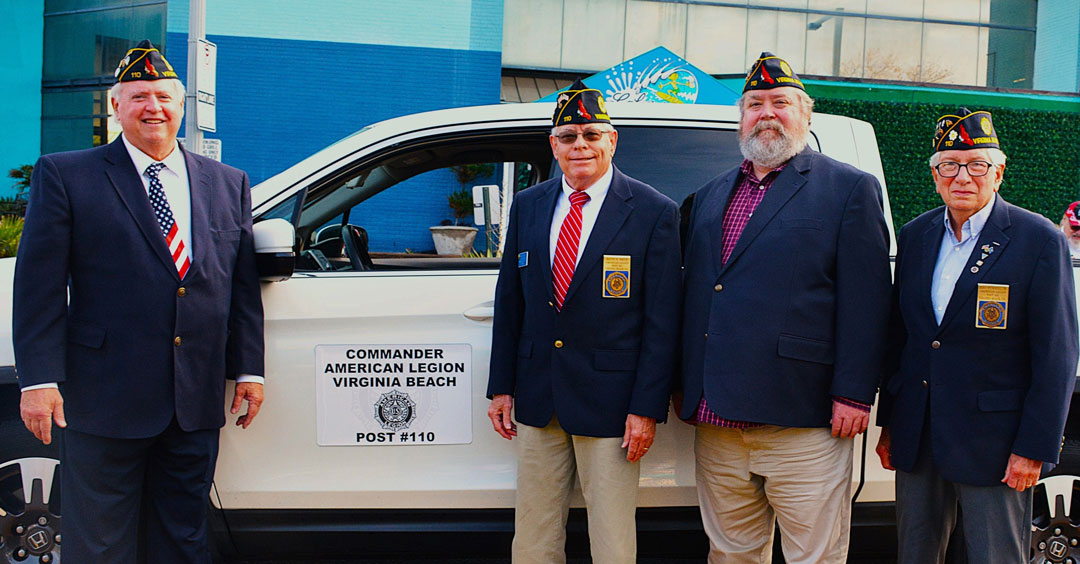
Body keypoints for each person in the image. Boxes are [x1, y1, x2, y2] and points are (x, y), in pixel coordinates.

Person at [13, 40, 265, 563]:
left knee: (183, 536)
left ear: (180, 106)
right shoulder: (67, 174)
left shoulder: (227, 183)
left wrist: (249, 370)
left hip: (192, 401)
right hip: (103, 398)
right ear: (116, 107)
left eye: (163, 96)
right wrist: (38, 380)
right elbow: (38, 287)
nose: (153, 107)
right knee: (100, 541)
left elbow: (238, 287)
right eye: (138, 96)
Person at [679, 52, 892, 563]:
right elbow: (699, 297)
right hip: (717, 422)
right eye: (754, 104)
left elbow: (868, 303)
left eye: (780, 102)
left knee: (813, 556)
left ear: (806, 115)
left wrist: (854, 394)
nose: (766, 113)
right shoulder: (708, 197)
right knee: (731, 554)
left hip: (805, 418)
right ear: (741, 118)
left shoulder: (848, 189)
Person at [486, 79, 681, 564]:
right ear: (553, 145)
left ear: (612, 141)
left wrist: (645, 408)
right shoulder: (530, 205)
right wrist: (502, 386)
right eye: (569, 136)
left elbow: (663, 321)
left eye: (592, 135)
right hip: (538, 397)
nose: (581, 146)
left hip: (612, 405)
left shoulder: (654, 212)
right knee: (533, 537)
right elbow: (511, 301)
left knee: (612, 541)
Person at [875, 108, 1079, 563]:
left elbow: (1057, 356)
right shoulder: (916, 235)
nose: (962, 176)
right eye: (949, 164)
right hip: (919, 434)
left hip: (996, 443)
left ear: (999, 172)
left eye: (977, 165)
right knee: (915, 555)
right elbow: (902, 341)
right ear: (934, 174)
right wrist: (892, 423)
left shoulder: (1037, 239)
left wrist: (1034, 448)